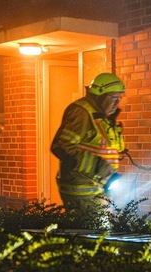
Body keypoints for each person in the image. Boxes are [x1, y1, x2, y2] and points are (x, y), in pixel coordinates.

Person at [51, 72, 126, 211]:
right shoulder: (82, 112)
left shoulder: (102, 116)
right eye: (114, 98)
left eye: (119, 98)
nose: (117, 103)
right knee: (92, 230)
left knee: (103, 229)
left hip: (101, 185)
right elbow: (62, 146)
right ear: (100, 95)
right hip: (83, 189)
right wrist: (100, 168)